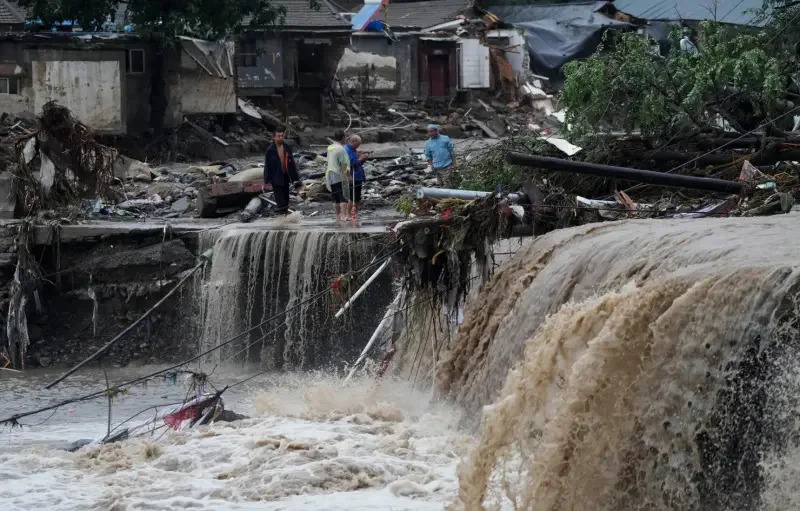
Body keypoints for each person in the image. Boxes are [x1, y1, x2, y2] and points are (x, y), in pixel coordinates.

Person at [263, 128, 301, 215]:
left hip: (286, 177)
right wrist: (267, 181)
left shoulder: (287, 147)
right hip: (276, 179)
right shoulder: (270, 150)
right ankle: (281, 221)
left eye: (282, 136)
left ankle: (284, 221)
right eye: (278, 136)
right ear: (274, 138)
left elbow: (292, 164)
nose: (280, 137)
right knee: (280, 202)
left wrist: (296, 179)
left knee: (286, 200)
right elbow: (267, 166)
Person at [326, 130, 351, 221]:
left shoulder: (330, 148)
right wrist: (348, 176)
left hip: (329, 174)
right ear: (343, 137)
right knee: (343, 195)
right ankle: (344, 216)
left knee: (335, 196)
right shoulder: (341, 149)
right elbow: (344, 164)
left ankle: (337, 216)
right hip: (338, 174)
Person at [344, 134, 369, 220]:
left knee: (357, 197)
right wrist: (361, 158)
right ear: (353, 141)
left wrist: (362, 160)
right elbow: (351, 164)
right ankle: (349, 215)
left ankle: (355, 214)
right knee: (352, 197)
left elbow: (357, 164)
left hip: (358, 176)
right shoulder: (347, 150)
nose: (358, 146)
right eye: (358, 144)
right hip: (352, 176)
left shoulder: (353, 150)